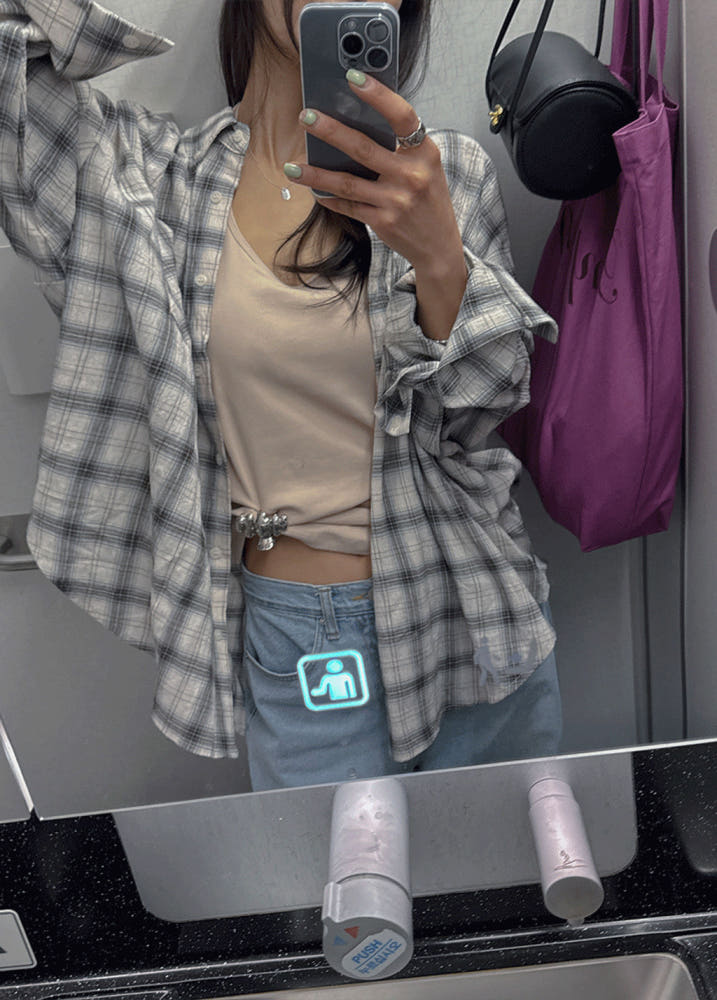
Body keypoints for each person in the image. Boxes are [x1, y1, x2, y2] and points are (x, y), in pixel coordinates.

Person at [0, 0, 561, 791]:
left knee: (500, 865)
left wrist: (439, 255)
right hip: (300, 632)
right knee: (329, 870)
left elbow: (486, 407)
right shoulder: (155, 182)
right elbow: (13, 81)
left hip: (471, 604)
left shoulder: (441, 173)